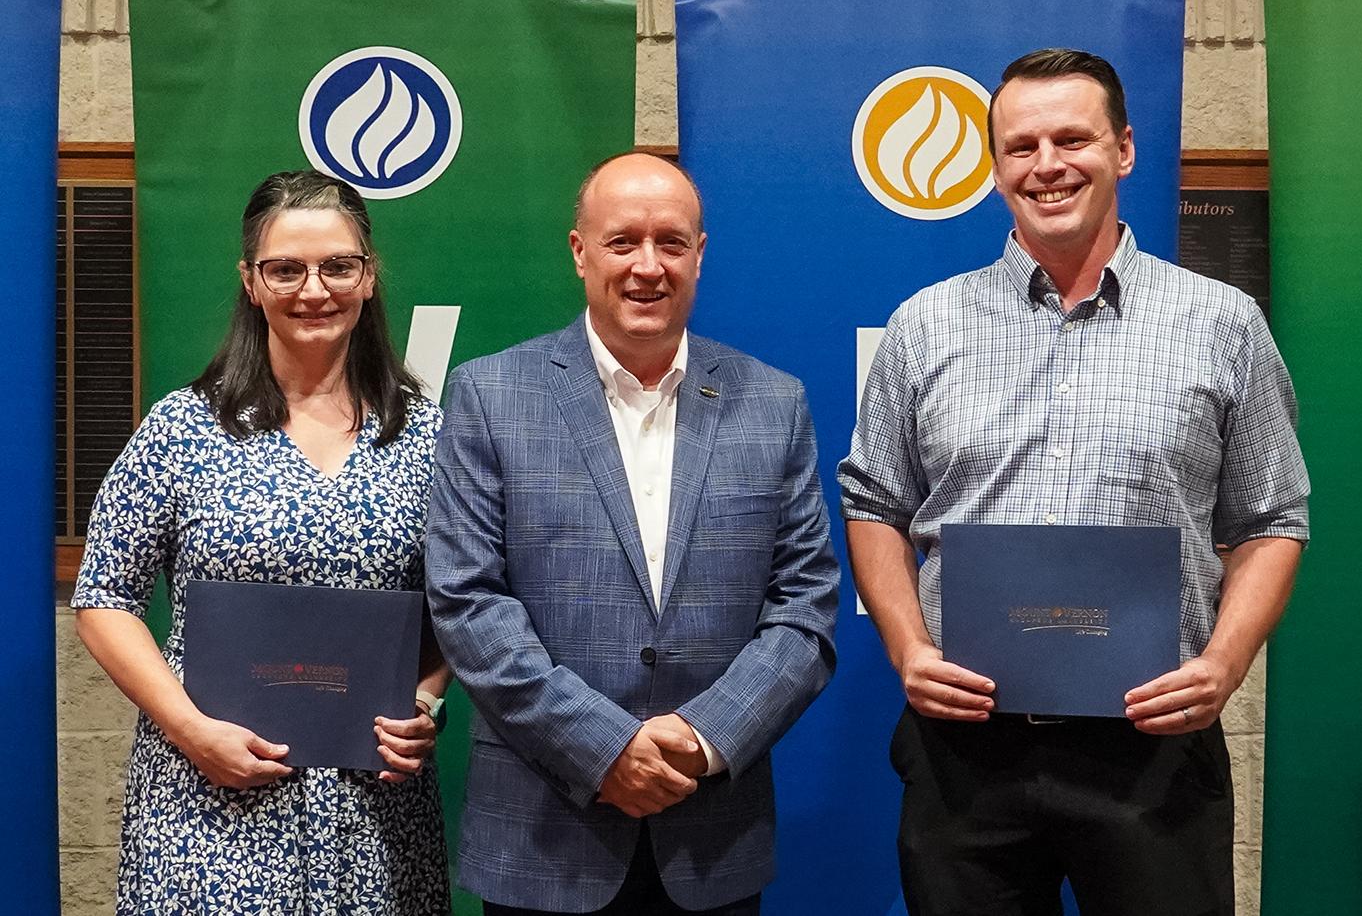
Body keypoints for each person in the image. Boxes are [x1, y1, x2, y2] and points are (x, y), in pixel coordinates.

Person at [838, 49, 1310, 916]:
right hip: (964, 755)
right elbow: (872, 506)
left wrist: (1224, 662)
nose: (1045, 165)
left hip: (1154, 752)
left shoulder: (1220, 322)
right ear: (993, 167)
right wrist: (907, 650)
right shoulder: (924, 325)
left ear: (1124, 149)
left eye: (1071, 138)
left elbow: (1273, 518)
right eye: (1019, 146)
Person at [426, 151, 839, 916]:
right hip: (544, 836)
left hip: (710, 834)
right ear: (580, 251)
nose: (647, 266)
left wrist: (701, 736)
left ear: (700, 254)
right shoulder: (489, 394)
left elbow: (804, 608)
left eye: (670, 243)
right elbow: (468, 602)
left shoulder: (774, 404)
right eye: (622, 242)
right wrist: (603, 747)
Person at [73, 170, 451, 914]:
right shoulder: (184, 428)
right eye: (286, 269)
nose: (315, 289)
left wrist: (427, 704)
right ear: (250, 281)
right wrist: (189, 731)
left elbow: (458, 605)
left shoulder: (426, 435)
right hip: (208, 805)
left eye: (338, 265)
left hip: (371, 811)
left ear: (369, 277)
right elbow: (104, 597)